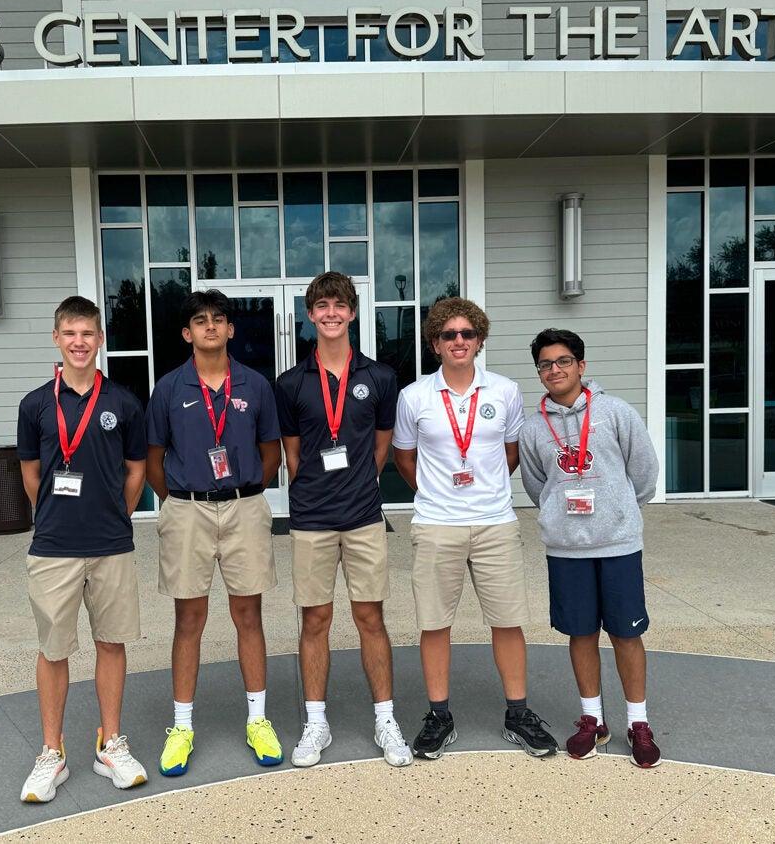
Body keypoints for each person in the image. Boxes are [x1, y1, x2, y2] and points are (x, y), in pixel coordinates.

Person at [393, 298, 558, 760]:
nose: (459, 341)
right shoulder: (414, 397)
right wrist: (434, 491)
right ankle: (439, 716)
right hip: (436, 524)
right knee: (434, 623)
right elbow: (404, 458)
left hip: (494, 523)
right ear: (435, 344)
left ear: (480, 341)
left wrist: (481, 488)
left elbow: (512, 452)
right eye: (449, 335)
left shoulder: (504, 391)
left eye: (467, 334)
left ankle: (519, 713)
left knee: (508, 621)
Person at [274, 271, 412, 769]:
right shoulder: (290, 384)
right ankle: (316, 722)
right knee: (316, 618)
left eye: (340, 305)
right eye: (322, 306)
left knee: (370, 617)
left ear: (352, 313)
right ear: (309, 315)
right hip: (311, 519)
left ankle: (385, 718)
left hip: (362, 517)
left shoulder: (378, 377)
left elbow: (381, 448)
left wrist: (354, 485)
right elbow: (294, 456)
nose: (331, 313)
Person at [15, 295, 149, 801]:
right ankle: (53, 752)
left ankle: (109, 743)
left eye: (87, 334)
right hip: (53, 545)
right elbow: (31, 473)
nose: (79, 342)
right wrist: (54, 510)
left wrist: (119, 511)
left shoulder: (123, 402)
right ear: (56, 339)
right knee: (54, 649)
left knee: (112, 642)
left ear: (100, 340)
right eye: (70, 333)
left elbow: (136, 469)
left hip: (111, 542)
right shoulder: (35, 404)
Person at [146, 290, 285, 776]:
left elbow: (272, 451)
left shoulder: (255, 385)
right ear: (187, 333)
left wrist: (245, 492)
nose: (210, 327)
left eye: (218, 319)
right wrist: (182, 501)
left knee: (249, 614)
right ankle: (181, 727)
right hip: (188, 509)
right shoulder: (169, 388)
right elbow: (154, 461)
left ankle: (257, 720)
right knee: (189, 618)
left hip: (245, 507)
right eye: (200, 320)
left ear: (230, 329)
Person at [517, 328, 662, 768]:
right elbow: (537, 486)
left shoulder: (615, 412)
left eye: (562, 361)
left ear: (581, 366)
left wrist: (615, 511)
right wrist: (564, 514)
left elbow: (644, 474)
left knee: (626, 632)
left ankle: (638, 722)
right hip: (566, 549)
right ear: (539, 372)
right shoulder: (533, 428)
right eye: (545, 364)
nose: (554, 370)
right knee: (580, 633)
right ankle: (592, 719)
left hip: (617, 544)